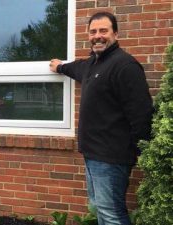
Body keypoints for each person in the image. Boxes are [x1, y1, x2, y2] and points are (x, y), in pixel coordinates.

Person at [49, 12, 154, 225]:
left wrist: (139, 151)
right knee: (100, 209)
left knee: (112, 214)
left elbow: (141, 115)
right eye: (93, 31)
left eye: (103, 31)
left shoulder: (125, 66)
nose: (98, 36)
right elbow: (76, 68)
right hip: (93, 154)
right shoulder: (92, 64)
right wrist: (60, 66)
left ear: (115, 33)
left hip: (112, 157)